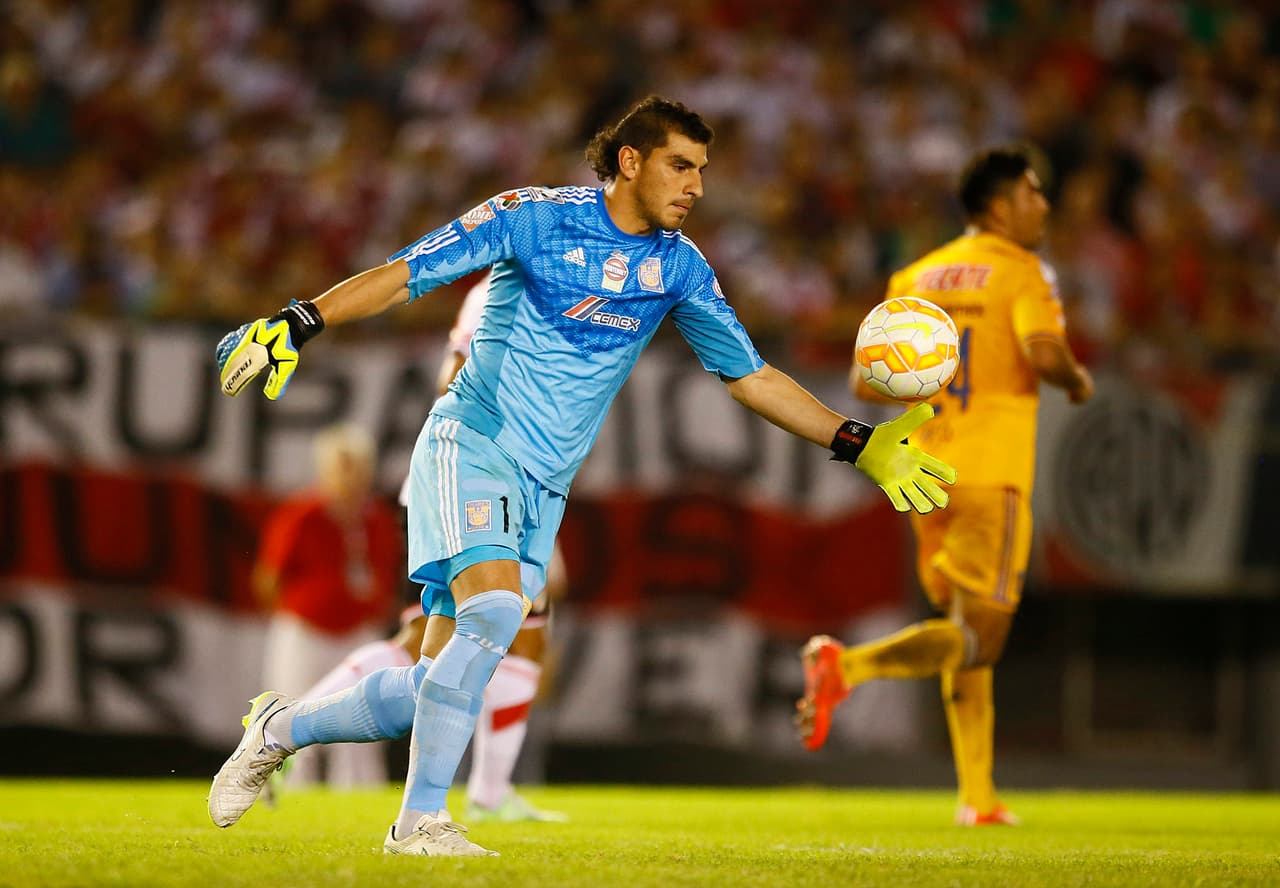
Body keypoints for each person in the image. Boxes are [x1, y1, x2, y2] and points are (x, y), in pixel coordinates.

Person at [208, 95, 956, 857]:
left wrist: (857, 441)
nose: (696, 186)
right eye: (680, 165)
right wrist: (301, 321)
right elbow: (409, 275)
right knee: (497, 612)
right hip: (474, 440)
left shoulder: (679, 268)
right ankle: (419, 823)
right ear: (629, 161)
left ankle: (280, 727)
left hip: (544, 485)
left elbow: (750, 376)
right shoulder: (531, 217)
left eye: (702, 170)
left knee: (432, 684)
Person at [796, 147, 1094, 827]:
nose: (1043, 204)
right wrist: (1078, 381)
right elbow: (1046, 354)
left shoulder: (916, 274)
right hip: (992, 471)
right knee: (979, 640)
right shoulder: (1023, 271)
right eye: (1033, 192)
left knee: (963, 632)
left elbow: (864, 380)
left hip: (924, 475)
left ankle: (977, 796)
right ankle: (849, 666)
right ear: (999, 205)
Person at [284, 275, 568, 821]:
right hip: (468, 475)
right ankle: (288, 727)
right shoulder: (505, 289)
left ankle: (488, 792)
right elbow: (455, 377)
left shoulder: (550, 289)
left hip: (505, 479)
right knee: (428, 641)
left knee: (526, 630)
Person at [253, 423, 402, 789]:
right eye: (342, 466)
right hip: (305, 630)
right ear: (325, 470)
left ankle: (360, 795)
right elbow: (268, 579)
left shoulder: (378, 520)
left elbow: (388, 574)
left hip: (357, 632)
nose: (350, 476)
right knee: (291, 712)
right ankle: (288, 795)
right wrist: (299, 614)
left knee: (362, 718)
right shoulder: (302, 514)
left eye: (357, 467)